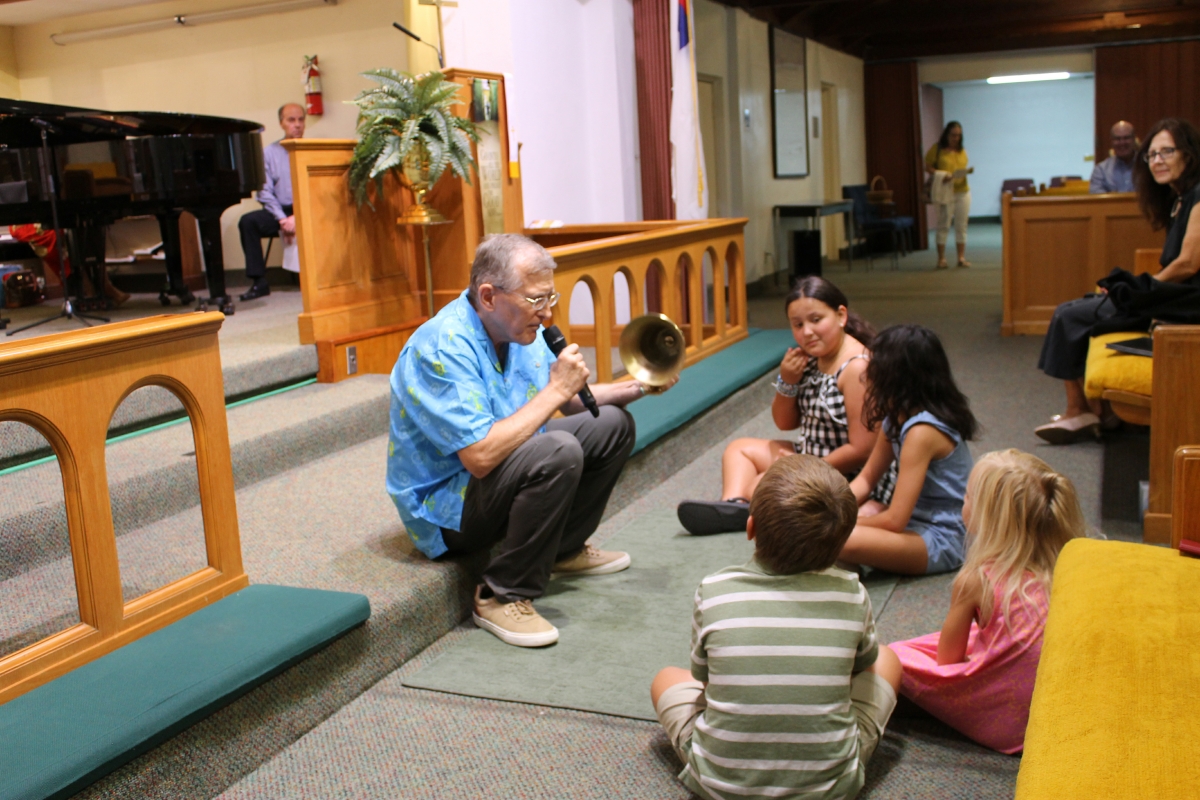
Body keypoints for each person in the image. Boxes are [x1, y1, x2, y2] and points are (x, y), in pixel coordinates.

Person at [387, 234, 666, 648]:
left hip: (502, 468)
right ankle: (502, 594)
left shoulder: (520, 331)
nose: (548, 312)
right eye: (536, 300)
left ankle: (564, 550)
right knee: (559, 450)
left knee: (611, 424)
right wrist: (555, 391)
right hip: (446, 505)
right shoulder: (441, 346)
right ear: (488, 296)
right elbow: (480, 457)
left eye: (549, 297)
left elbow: (571, 401)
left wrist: (641, 385)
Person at [650, 455, 902, 800]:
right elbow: (858, 668)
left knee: (665, 678)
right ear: (841, 543)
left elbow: (705, 680)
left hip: (720, 785)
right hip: (829, 790)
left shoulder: (713, 590)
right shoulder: (852, 592)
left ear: (750, 528)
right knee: (887, 659)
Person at [890, 450, 1086, 753]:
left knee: (891, 657)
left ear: (986, 517)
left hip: (1015, 725)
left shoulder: (977, 579)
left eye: (967, 497)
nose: (962, 503)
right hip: (1068, 711)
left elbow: (947, 661)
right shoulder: (1073, 567)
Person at [675, 277, 891, 536]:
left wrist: (804, 466)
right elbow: (785, 422)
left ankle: (750, 508)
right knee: (739, 450)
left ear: (841, 315)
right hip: (811, 452)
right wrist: (787, 381)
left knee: (760, 485)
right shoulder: (813, 356)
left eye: (816, 320)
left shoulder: (856, 367)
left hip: (844, 472)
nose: (807, 332)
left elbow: (862, 450)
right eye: (797, 325)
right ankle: (734, 506)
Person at [1035, 117, 1200, 444]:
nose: (1157, 161)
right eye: (1151, 155)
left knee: (1071, 315)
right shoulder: (1180, 198)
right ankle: (1100, 413)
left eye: (1166, 152)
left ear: (1189, 154)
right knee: (1083, 303)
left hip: (1185, 308)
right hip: (1173, 297)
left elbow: (1187, 264)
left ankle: (1078, 411)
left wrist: (1140, 289)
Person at [842, 324, 977, 575]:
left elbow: (895, 520)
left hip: (945, 538)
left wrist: (838, 525)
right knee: (833, 527)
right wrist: (827, 509)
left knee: (837, 538)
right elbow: (867, 479)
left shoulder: (922, 432)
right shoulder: (897, 417)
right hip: (915, 522)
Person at [237, 103, 305, 301]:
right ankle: (259, 282)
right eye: (291, 120)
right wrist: (284, 219)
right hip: (280, 210)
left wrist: (298, 215)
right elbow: (264, 192)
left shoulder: (313, 150)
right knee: (248, 222)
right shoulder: (269, 153)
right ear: (281, 123)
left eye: (301, 119)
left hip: (307, 208)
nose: (297, 125)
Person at [925, 121, 974, 269]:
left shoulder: (962, 151)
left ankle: (961, 257)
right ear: (947, 134)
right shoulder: (937, 149)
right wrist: (940, 174)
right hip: (945, 191)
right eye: (953, 135)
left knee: (961, 225)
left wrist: (965, 172)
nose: (956, 138)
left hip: (962, 191)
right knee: (944, 224)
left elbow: (962, 167)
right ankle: (941, 258)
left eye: (958, 135)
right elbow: (927, 166)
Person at [1089, 120, 1137, 194]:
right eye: (1117, 139)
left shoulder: (1148, 166)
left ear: (1134, 139)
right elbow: (1097, 201)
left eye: (1126, 138)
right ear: (1111, 141)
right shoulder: (1101, 170)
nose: (1122, 143)